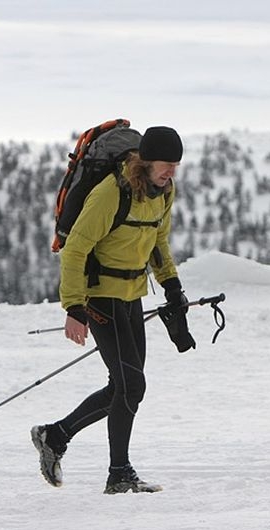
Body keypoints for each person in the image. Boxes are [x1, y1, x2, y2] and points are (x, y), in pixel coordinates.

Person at [31, 126, 194, 495]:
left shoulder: (163, 193)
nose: (171, 173)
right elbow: (75, 250)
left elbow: (159, 242)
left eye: (176, 166)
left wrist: (172, 287)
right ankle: (119, 473)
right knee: (131, 384)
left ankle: (54, 436)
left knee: (124, 387)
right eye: (166, 165)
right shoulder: (111, 194)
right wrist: (74, 307)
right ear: (146, 162)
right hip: (99, 296)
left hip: (131, 294)